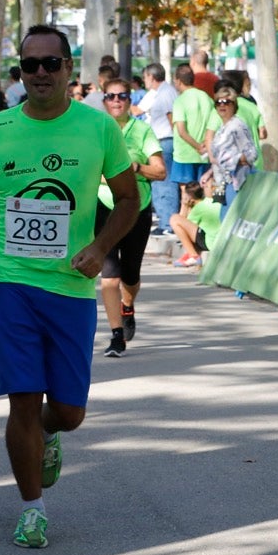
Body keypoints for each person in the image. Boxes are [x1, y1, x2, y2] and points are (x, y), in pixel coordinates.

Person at [0, 25, 140, 550]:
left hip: (72, 288)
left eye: (50, 64)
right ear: (21, 73)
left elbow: (128, 199)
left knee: (69, 412)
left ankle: (50, 434)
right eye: (29, 65)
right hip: (9, 281)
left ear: (69, 69)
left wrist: (99, 250)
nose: (40, 74)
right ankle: (32, 508)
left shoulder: (98, 129)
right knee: (22, 399)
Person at [97, 76, 166, 358]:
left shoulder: (143, 130)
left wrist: (136, 167)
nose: (117, 101)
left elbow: (160, 171)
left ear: (130, 100)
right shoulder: (96, 130)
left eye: (122, 96)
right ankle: (116, 336)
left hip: (137, 206)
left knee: (130, 275)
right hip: (104, 205)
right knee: (109, 276)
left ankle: (128, 305)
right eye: (111, 96)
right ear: (104, 100)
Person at [169, 64, 218, 219]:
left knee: (186, 194)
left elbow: (181, 131)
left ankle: (185, 224)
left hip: (185, 154)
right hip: (205, 153)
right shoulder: (207, 98)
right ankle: (201, 223)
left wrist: (197, 146)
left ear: (178, 81)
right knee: (203, 191)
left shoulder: (180, 101)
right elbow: (214, 126)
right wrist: (204, 145)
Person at [135, 63, 178, 233]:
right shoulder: (158, 93)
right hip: (159, 140)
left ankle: (167, 223)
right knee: (160, 184)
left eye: (145, 77)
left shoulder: (166, 93)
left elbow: (171, 118)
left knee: (164, 183)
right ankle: (164, 220)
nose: (144, 80)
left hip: (165, 140)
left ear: (152, 77)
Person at [204, 83, 258, 208]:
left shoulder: (237, 126)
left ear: (234, 105)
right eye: (218, 102)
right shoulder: (223, 127)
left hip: (236, 184)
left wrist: (235, 160)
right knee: (222, 221)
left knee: (229, 221)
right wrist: (210, 172)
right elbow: (220, 157)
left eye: (227, 102)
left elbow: (252, 154)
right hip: (221, 184)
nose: (222, 105)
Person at [170, 182, 221, 267]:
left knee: (174, 219)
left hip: (209, 242)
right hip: (217, 240)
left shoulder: (199, 207)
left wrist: (185, 206)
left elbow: (183, 228)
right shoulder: (213, 201)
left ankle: (193, 255)